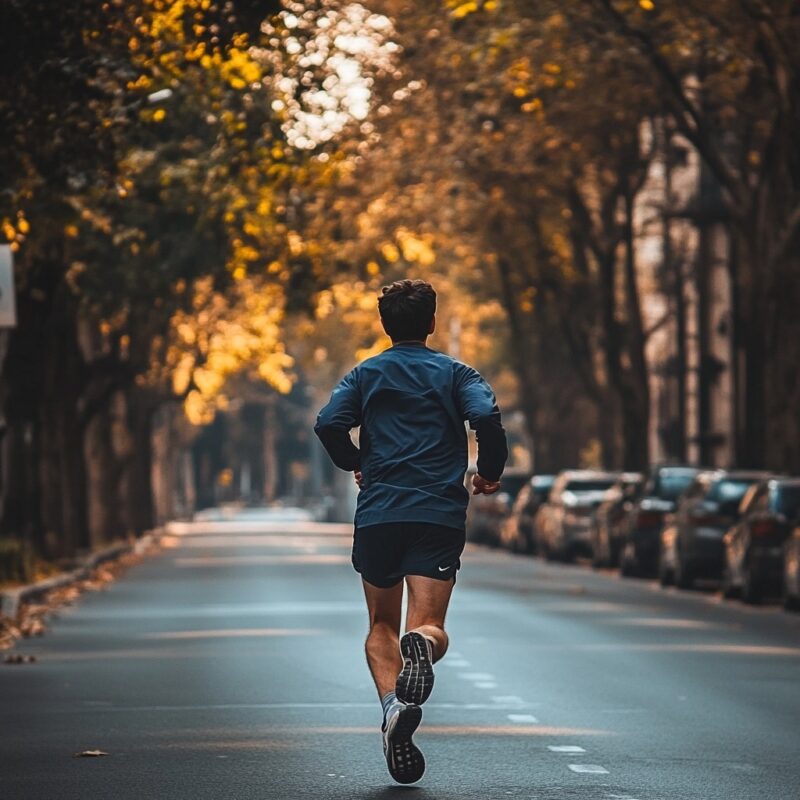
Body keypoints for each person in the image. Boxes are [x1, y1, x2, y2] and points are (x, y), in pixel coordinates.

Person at [314, 279, 508, 784]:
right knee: (429, 624)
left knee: (380, 625)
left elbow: (328, 423)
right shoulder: (455, 373)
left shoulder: (364, 375)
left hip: (379, 513)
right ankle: (420, 643)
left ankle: (393, 707)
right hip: (436, 514)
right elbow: (486, 415)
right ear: (432, 323)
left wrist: (358, 462)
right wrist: (488, 469)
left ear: (385, 324)